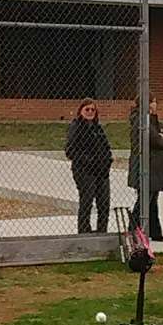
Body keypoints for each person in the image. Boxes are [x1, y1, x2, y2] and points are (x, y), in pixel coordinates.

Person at [64, 99, 113, 234]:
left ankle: (102, 231)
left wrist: (108, 160)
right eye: (87, 109)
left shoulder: (98, 128)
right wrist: (88, 160)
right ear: (81, 111)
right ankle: (84, 232)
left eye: (93, 109)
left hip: (101, 171)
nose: (90, 112)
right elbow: (70, 151)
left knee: (104, 203)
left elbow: (106, 147)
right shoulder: (76, 127)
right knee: (87, 201)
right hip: (84, 170)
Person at [128, 98, 163, 241]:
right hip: (147, 167)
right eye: (153, 101)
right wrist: (161, 137)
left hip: (154, 168)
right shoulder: (141, 121)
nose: (155, 104)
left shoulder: (151, 119)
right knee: (144, 200)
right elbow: (157, 140)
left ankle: (154, 231)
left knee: (152, 201)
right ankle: (132, 230)